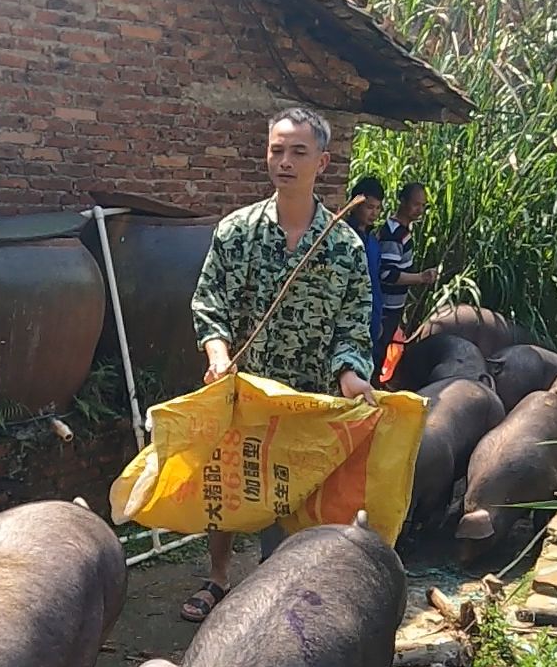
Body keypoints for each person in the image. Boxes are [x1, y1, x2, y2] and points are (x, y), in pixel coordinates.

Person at [180, 107, 377, 623]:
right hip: (241, 391)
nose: (284, 161)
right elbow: (209, 302)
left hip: (307, 397)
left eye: (297, 152)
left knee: (292, 492)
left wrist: (350, 372)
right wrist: (218, 354)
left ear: (323, 162)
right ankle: (219, 579)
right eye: (276, 150)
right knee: (226, 483)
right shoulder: (236, 232)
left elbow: (353, 323)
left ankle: (282, 586)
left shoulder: (344, 247)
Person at [376, 182, 438, 353]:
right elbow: (388, 274)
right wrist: (421, 278)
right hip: (386, 307)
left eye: (423, 206)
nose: (419, 210)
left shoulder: (402, 232)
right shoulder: (394, 234)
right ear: (402, 201)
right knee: (378, 350)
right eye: (416, 204)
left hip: (393, 306)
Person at [346, 176, 387, 351]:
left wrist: (378, 319)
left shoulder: (373, 241)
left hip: (372, 312)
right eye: (369, 207)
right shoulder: (345, 238)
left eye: (378, 208)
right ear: (355, 205)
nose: (374, 213)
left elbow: (375, 282)